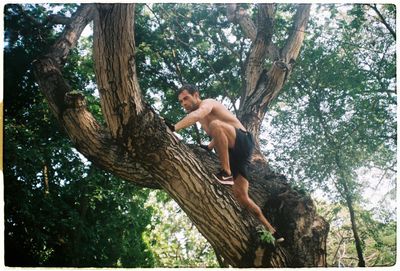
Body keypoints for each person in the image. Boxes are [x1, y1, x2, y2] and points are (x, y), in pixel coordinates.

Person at [165, 84, 284, 244]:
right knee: (242, 196)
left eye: (186, 98)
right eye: (181, 102)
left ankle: (226, 173)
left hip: (243, 141)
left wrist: (173, 128)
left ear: (196, 95)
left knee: (215, 125)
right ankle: (273, 231)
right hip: (234, 155)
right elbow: (218, 134)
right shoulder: (202, 119)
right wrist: (209, 146)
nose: (184, 103)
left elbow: (212, 123)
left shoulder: (207, 103)